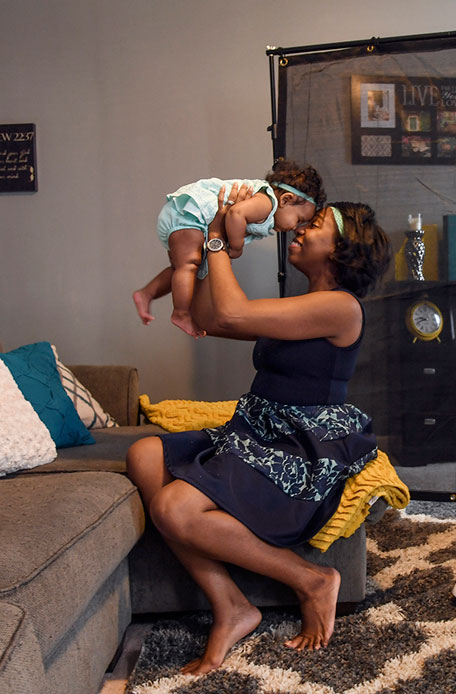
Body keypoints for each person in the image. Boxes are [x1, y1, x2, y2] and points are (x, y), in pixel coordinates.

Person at [126, 185, 391, 676]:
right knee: (144, 454)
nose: (301, 227)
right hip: (256, 430)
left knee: (172, 506)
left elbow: (230, 312)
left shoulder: (340, 307)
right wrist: (214, 241)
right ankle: (230, 605)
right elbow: (209, 317)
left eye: (317, 225)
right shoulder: (299, 302)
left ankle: (312, 579)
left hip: (296, 448)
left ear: (341, 249)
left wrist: (220, 235)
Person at [132, 160, 326, 337]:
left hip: (190, 218)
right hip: (192, 215)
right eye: (299, 219)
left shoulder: (268, 204)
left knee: (184, 268)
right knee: (189, 265)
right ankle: (181, 313)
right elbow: (235, 213)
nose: (295, 227)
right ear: (285, 199)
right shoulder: (267, 203)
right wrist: (236, 245)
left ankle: (147, 293)